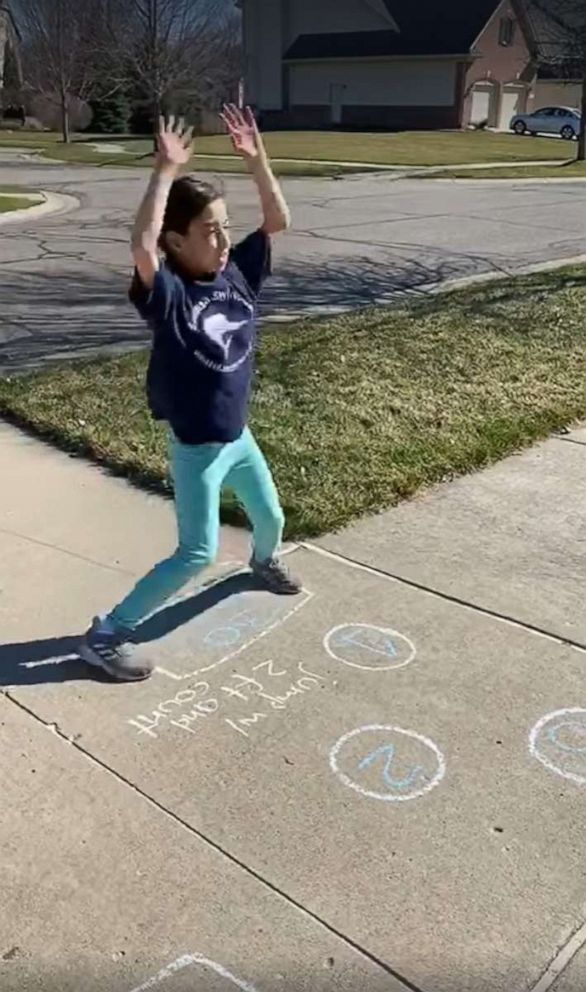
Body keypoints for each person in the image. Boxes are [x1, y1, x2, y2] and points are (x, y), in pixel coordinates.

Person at [80, 106, 301, 683]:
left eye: (225, 225)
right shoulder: (170, 294)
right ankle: (106, 633)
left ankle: (261, 562)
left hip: (239, 436)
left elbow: (277, 219)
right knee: (196, 553)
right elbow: (141, 243)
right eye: (209, 231)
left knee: (272, 519)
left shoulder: (235, 272)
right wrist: (163, 171)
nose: (224, 239)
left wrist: (257, 160)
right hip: (198, 448)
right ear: (178, 241)